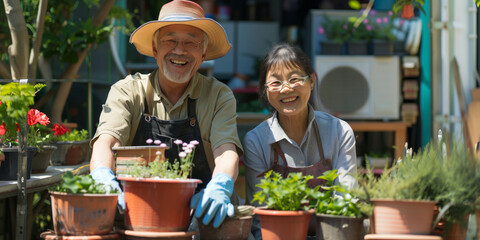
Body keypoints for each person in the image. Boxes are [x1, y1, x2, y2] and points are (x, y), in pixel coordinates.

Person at [89, 0, 243, 229]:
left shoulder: (218, 96)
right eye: (170, 40)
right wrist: (103, 177)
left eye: (191, 42)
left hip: (204, 217)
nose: (179, 50)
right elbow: (106, 142)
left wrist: (220, 185)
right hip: (137, 216)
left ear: (203, 53)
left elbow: (226, 153)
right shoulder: (128, 91)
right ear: (155, 48)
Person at [243, 43, 357, 239]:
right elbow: (260, 215)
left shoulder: (340, 131)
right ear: (265, 89)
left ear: (311, 80)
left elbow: (346, 201)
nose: (286, 89)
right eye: (276, 83)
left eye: (295, 79)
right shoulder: (256, 141)